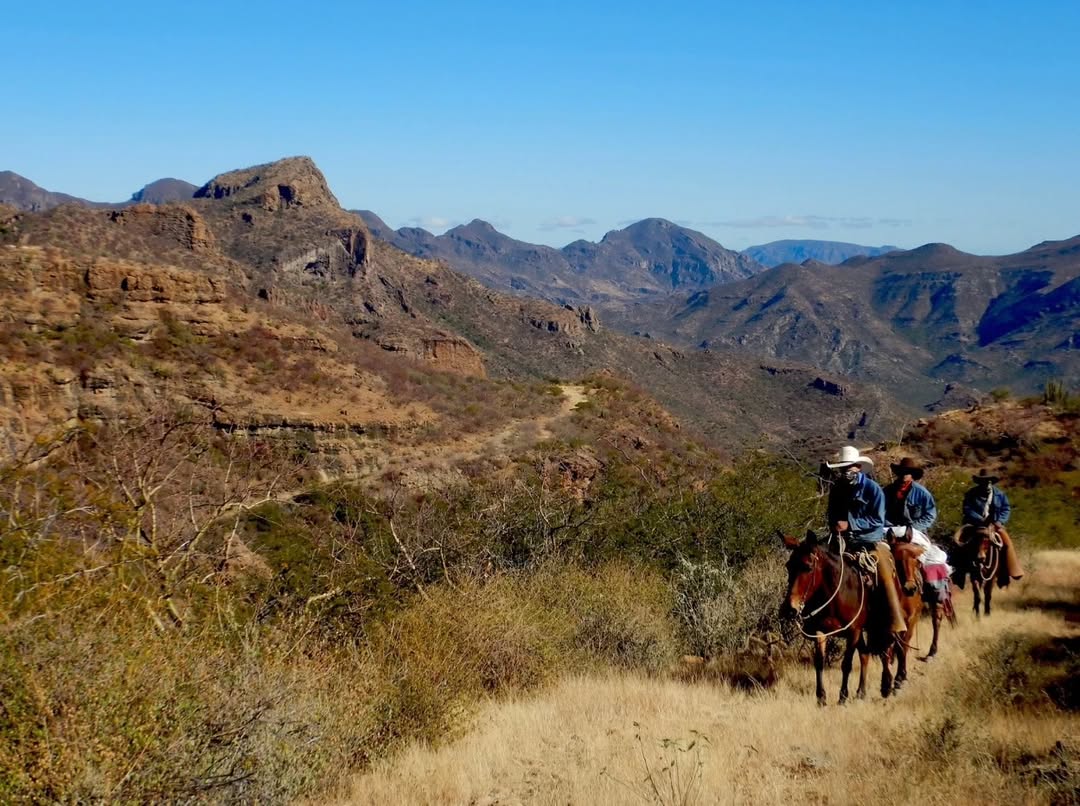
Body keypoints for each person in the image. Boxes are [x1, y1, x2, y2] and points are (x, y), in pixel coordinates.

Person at [825, 445, 907, 633]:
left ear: (858, 467)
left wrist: (850, 524)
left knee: (884, 569)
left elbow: (877, 519)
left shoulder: (873, 489)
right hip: (842, 539)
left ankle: (896, 620)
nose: (845, 472)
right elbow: (831, 514)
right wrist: (835, 525)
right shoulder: (837, 489)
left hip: (870, 540)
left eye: (849, 467)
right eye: (842, 468)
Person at [883, 457, 952, 599]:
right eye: (902, 472)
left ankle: (939, 596)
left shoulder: (922, 493)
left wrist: (913, 528)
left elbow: (930, 515)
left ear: (912, 475)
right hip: (891, 532)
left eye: (907, 472)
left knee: (934, 559)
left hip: (916, 534)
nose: (904, 475)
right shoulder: (887, 491)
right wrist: (890, 526)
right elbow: (879, 513)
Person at [959, 469, 1023, 582]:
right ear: (979, 482)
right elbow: (967, 508)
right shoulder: (971, 493)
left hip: (994, 525)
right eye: (984, 481)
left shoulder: (1000, 494)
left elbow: (1006, 508)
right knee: (959, 542)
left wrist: (1000, 521)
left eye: (989, 481)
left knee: (1007, 544)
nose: (987, 484)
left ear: (991, 482)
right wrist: (979, 519)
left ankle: (1012, 570)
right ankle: (958, 571)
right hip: (974, 524)